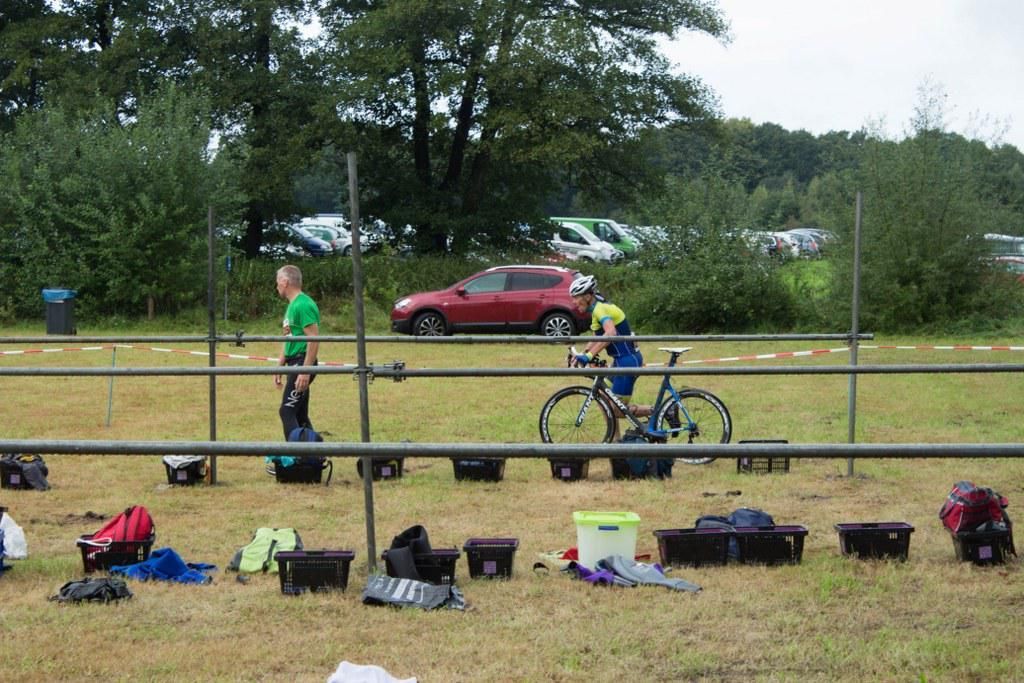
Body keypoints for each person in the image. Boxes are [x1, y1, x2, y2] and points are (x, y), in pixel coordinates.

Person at [568, 275, 650, 438]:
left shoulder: (601, 309)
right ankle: (615, 441)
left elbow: (610, 333)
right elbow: (597, 337)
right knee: (603, 397)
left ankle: (656, 411)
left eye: (576, 297)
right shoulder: (597, 309)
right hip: (621, 361)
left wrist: (590, 355)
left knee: (618, 410)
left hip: (627, 362)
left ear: (587, 296)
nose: (574, 302)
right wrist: (581, 355)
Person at [274, 265, 320, 439]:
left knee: (286, 412)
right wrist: (279, 366)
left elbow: (314, 339)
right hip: (293, 363)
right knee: (300, 414)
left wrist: (305, 371)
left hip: (302, 363)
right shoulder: (292, 306)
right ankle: (314, 456)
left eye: (278, 281)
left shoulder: (303, 305)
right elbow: (289, 338)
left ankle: (296, 457)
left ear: (285, 282)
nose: (277, 285)